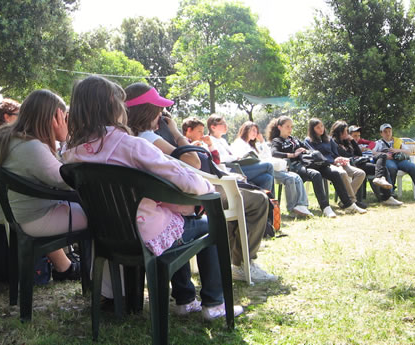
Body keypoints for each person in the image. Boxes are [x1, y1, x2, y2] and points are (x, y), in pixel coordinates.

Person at [62, 76, 243, 319]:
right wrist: (203, 190)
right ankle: (213, 304)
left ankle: (186, 298)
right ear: (114, 108)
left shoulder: (71, 153)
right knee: (208, 224)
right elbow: (190, 182)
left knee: (177, 220)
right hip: (146, 233)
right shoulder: (132, 146)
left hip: (106, 236)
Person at [125, 82, 277, 283]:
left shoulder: (128, 137)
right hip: (192, 194)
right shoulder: (148, 137)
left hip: (178, 196)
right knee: (257, 201)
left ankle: (238, 259)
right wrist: (176, 132)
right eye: (159, 109)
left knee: (250, 198)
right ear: (148, 111)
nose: (162, 114)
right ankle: (242, 264)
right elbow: (192, 162)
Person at [0, 90, 86, 280]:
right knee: (102, 217)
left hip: (23, 214)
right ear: (54, 118)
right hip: (37, 218)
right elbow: (68, 182)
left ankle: (67, 269)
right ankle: (96, 279)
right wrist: (65, 141)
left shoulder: (6, 138)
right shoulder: (31, 147)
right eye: (63, 118)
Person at [268, 116, 351, 217]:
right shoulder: (277, 140)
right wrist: (293, 155)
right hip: (294, 166)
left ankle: (348, 204)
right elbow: (274, 153)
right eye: (287, 126)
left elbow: (308, 149)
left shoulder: (294, 139)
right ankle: (325, 207)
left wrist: (306, 151)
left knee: (333, 173)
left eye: (291, 127)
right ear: (279, 127)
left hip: (307, 163)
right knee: (316, 175)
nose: (290, 129)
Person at [231, 121, 313, 218]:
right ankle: (272, 204)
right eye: (253, 130)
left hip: (258, 169)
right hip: (243, 170)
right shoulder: (239, 142)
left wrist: (262, 142)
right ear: (245, 130)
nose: (255, 133)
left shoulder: (252, 145)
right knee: (269, 166)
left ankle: (298, 206)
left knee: (268, 178)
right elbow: (239, 159)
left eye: (256, 131)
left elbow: (266, 155)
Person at [330, 121, 402, 206]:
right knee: (379, 168)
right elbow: (346, 156)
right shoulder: (334, 143)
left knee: (382, 157)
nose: (347, 133)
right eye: (345, 131)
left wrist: (352, 141)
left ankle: (386, 194)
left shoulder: (347, 142)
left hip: (360, 162)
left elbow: (359, 154)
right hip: (351, 165)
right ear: (340, 132)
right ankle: (384, 196)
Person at [305, 118, 368, 211]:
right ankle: (351, 202)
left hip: (337, 163)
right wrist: (333, 161)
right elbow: (315, 155)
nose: (321, 129)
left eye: (322, 126)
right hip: (325, 165)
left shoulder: (328, 139)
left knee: (361, 173)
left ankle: (345, 201)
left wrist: (339, 159)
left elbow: (335, 154)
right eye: (317, 127)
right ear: (312, 129)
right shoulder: (308, 140)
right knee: (342, 173)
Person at [207, 114, 275, 192]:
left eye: (225, 123)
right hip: (229, 170)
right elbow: (220, 158)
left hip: (238, 167)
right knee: (268, 166)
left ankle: (264, 202)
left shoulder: (223, 141)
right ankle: (273, 201)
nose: (226, 126)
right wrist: (236, 157)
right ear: (213, 127)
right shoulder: (210, 141)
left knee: (267, 178)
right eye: (222, 124)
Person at [373, 123, 415, 200]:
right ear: (381, 133)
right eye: (385, 131)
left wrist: (397, 150)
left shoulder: (398, 141)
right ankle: (390, 192)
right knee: (392, 168)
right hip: (388, 160)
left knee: (413, 167)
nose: (388, 133)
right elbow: (373, 152)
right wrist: (384, 154)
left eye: (389, 131)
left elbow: (409, 152)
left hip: (400, 160)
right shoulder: (378, 143)